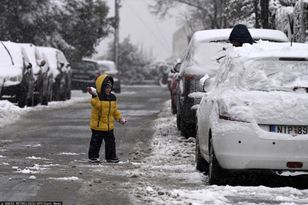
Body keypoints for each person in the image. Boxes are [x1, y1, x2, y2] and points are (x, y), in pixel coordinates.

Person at [87, 74, 126, 163]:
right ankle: (93, 156)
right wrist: (94, 95)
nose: (108, 90)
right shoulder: (97, 97)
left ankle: (111, 157)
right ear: (101, 87)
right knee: (96, 142)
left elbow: (114, 111)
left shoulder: (113, 97)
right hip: (98, 126)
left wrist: (120, 118)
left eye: (109, 88)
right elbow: (97, 105)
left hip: (109, 126)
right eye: (106, 88)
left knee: (111, 142)